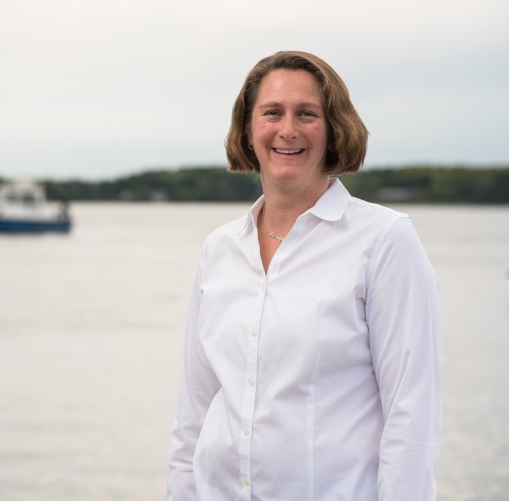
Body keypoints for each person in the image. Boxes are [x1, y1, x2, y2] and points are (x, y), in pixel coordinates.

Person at [166, 51, 442, 500]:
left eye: (307, 114)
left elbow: (412, 415)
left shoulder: (385, 241)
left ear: (334, 129)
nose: (288, 130)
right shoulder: (218, 250)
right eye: (272, 112)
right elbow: (193, 415)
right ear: (248, 129)